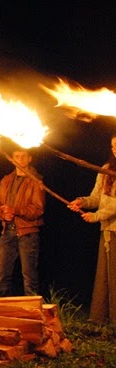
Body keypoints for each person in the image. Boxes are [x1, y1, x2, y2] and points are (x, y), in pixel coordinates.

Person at [67, 134, 116, 324]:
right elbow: (96, 197)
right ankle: (101, 318)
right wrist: (82, 201)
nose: (114, 149)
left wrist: (96, 216)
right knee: (104, 276)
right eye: (113, 145)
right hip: (107, 230)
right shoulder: (105, 169)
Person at [0, 149, 45, 297]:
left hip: (27, 232)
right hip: (8, 230)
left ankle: (32, 307)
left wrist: (15, 210)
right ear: (12, 159)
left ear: (29, 158)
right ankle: (4, 305)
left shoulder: (36, 181)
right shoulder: (6, 180)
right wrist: (3, 214)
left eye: (23, 156)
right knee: (2, 271)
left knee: (29, 275)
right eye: (17, 156)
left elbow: (38, 209)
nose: (20, 159)